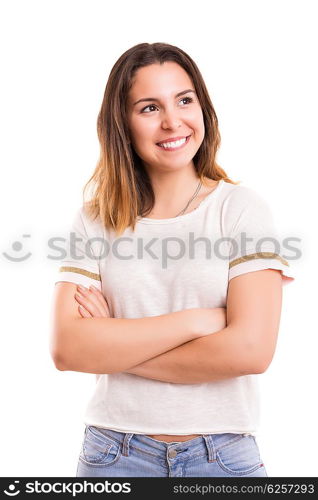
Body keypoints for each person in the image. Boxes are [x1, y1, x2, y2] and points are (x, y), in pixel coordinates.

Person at [50, 42, 295, 477]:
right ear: (122, 124)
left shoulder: (240, 209)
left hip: (222, 455)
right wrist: (198, 322)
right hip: (113, 454)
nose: (172, 121)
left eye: (184, 100)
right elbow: (68, 349)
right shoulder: (95, 218)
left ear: (203, 107)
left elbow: (251, 351)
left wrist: (113, 344)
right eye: (148, 107)